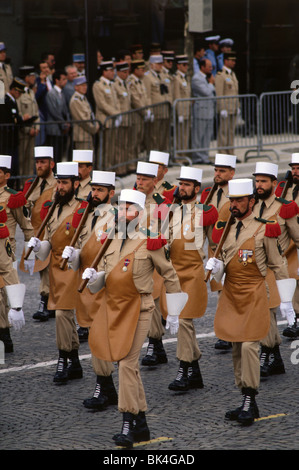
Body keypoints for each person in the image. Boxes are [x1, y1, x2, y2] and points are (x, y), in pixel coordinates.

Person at [82, 188, 185, 448]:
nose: (122, 213)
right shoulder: (111, 239)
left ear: (139, 213)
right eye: (120, 207)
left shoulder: (150, 241)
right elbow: (107, 275)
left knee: (127, 364)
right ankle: (141, 423)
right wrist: (94, 279)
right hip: (112, 307)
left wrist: (173, 311)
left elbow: (170, 275)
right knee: (125, 365)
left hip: (139, 308)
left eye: (128, 208)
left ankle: (128, 421)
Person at [206, 178, 295, 425]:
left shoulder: (264, 228)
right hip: (232, 295)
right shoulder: (225, 229)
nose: (234, 205)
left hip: (255, 292)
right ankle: (244, 396)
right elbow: (226, 264)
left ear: (251, 202)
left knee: (248, 347)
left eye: (239, 200)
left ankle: (250, 399)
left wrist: (286, 300)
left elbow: (278, 264)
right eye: (232, 200)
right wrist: (216, 268)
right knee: (236, 347)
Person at [62, 170, 118, 410]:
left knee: (99, 338)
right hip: (86, 285)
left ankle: (104, 386)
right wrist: (74, 256)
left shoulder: (117, 217)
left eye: (100, 190)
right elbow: (84, 247)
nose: (94, 194)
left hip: (105, 285)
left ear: (111, 193)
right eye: (93, 189)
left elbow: (120, 254)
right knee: (95, 338)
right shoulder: (86, 214)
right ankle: (107, 387)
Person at [160, 166, 218, 392]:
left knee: (184, 321)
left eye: (186, 185)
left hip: (193, 273)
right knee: (183, 323)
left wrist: (216, 267)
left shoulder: (203, 211)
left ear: (196, 188)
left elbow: (215, 242)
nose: (181, 188)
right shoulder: (171, 211)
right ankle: (195, 371)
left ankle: (184, 368)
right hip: (173, 274)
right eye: (180, 184)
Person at [27, 161, 83, 384]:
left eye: (65, 183)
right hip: (55, 269)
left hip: (72, 268)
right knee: (66, 317)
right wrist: (41, 247)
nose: (60, 187)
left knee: (62, 314)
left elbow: (88, 243)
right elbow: (50, 242)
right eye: (59, 182)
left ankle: (63, 358)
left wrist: (76, 252)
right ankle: (75, 360)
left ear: (75, 184)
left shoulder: (82, 209)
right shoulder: (52, 207)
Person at [252, 161, 299, 377]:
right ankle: (274, 356)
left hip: (274, 267)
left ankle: (269, 352)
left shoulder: (284, 207)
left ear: (274, 183)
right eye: (257, 181)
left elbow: (298, 238)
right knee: (259, 312)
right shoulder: (251, 205)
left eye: (263, 181)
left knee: (267, 310)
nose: (259, 185)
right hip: (252, 269)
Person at [201, 153, 236, 350]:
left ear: (232, 172)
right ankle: (226, 332)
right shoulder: (211, 193)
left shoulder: (238, 192)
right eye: (216, 170)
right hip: (214, 250)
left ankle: (231, 330)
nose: (217, 174)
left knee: (231, 292)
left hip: (231, 249)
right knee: (221, 294)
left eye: (222, 171)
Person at [21, 146, 57, 322]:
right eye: (37, 162)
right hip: (37, 231)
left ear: (52, 164)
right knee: (43, 268)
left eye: (43, 162)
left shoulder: (58, 184)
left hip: (54, 231)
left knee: (52, 267)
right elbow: (25, 207)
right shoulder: (32, 185)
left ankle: (47, 301)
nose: (39, 166)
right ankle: (48, 301)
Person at [275, 153, 299, 338]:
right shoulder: (287, 190)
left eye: (298, 168)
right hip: (288, 243)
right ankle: (295, 318)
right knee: (292, 280)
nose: (295, 172)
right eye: (293, 168)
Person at [0, 77, 33, 180]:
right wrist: (21, 119)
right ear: (13, 89)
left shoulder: (12, 101)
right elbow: (8, 119)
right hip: (7, 138)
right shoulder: (6, 101)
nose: (19, 95)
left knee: (14, 164)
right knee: (9, 164)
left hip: (12, 139)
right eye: (18, 92)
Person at [92, 60, 121, 170]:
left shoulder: (111, 84)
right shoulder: (98, 85)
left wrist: (119, 113)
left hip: (113, 120)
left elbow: (116, 100)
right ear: (104, 72)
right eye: (110, 70)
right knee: (105, 148)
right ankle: (103, 169)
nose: (113, 72)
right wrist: (116, 114)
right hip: (105, 120)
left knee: (112, 147)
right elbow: (102, 104)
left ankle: (110, 168)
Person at [143, 54, 171, 152]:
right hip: (155, 111)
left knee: (164, 136)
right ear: (152, 65)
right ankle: (154, 160)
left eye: (161, 64)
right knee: (154, 136)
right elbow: (147, 95)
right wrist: (149, 110)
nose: (160, 66)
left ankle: (162, 159)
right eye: (158, 64)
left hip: (164, 111)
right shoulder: (147, 77)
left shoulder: (162, 75)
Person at [191, 58, 215, 164]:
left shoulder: (206, 78)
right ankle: (197, 157)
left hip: (209, 111)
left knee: (207, 136)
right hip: (201, 111)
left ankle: (204, 156)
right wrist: (210, 84)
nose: (211, 69)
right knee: (198, 136)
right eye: (209, 66)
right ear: (202, 67)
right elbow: (206, 92)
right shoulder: (197, 78)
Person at [215, 51, 239, 156]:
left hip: (233, 107)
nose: (234, 62)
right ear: (226, 61)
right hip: (226, 107)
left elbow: (236, 92)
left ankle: (230, 152)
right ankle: (223, 153)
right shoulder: (221, 75)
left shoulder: (232, 74)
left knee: (231, 132)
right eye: (231, 60)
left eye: (234, 60)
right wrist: (222, 108)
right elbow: (219, 93)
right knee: (223, 132)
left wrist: (238, 106)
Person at [17, 66, 40, 177]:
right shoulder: (20, 94)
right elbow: (19, 114)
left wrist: (36, 128)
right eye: (31, 76)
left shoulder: (31, 91)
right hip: (23, 133)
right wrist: (27, 129)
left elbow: (36, 113)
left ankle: (28, 184)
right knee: (21, 159)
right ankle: (20, 184)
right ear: (26, 77)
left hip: (33, 132)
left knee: (31, 160)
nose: (34, 78)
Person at [127, 60, 150, 160]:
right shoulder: (131, 81)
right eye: (141, 69)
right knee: (134, 140)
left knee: (139, 139)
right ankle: (132, 162)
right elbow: (135, 100)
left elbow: (146, 97)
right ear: (135, 70)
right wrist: (145, 111)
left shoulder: (140, 81)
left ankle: (136, 161)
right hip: (136, 114)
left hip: (142, 115)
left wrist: (149, 109)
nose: (143, 71)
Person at [69, 76, 99, 152]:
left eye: (85, 85)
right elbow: (82, 120)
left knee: (90, 159)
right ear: (76, 87)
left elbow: (90, 115)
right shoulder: (75, 100)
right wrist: (94, 128)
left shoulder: (83, 98)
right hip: (81, 136)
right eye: (82, 85)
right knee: (84, 160)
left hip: (87, 135)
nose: (84, 87)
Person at [45, 70, 70, 160]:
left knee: (59, 154)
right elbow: (54, 112)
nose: (65, 81)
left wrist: (67, 122)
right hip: (53, 129)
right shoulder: (51, 94)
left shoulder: (62, 93)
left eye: (66, 79)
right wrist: (63, 124)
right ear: (57, 80)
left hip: (61, 130)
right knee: (54, 155)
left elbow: (65, 110)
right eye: (63, 79)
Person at [113, 62, 133, 175]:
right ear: (119, 72)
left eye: (127, 72)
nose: (126, 74)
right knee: (119, 145)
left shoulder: (126, 84)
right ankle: (119, 169)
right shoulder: (115, 84)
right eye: (124, 72)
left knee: (126, 144)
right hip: (120, 118)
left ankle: (124, 167)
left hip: (127, 118)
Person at [172, 55, 191, 160]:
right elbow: (177, 96)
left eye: (187, 65)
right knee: (180, 135)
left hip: (186, 110)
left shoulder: (184, 77)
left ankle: (183, 155)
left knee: (185, 135)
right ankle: (179, 157)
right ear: (178, 66)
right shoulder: (176, 78)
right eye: (184, 65)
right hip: (181, 112)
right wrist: (179, 113)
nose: (186, 67)